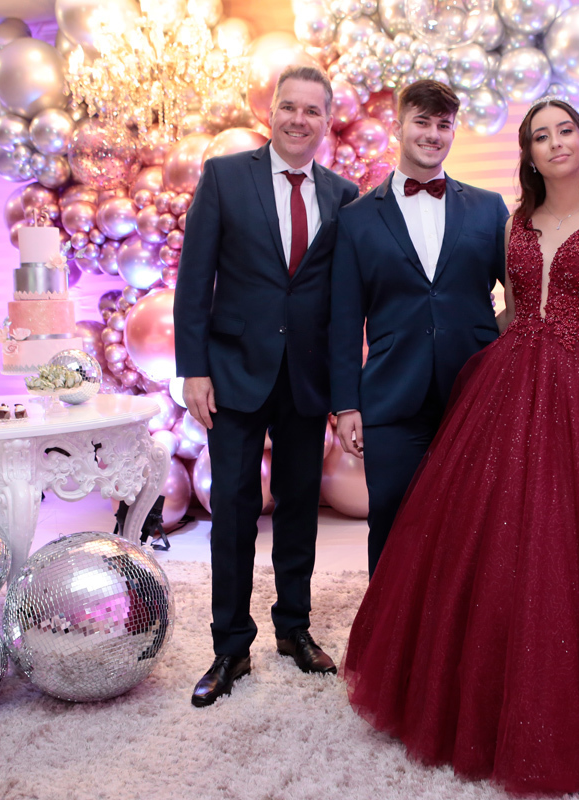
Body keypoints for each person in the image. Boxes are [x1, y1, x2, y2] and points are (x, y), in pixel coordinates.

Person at [342, 97, 579, 794]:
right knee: (495, 536)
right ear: (528, 154)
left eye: (566, 131)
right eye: (541, 136)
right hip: (513, 379)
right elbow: (508, 308)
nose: (555, 143)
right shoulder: (514, 223)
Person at [174, 65, 359, 707]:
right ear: (271, 112)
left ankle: (294, 628)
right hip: (233, 372)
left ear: (326, 120)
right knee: (232, 511)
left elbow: (344, 301)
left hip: (307, 376)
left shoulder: (344, 194)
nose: (298, 119)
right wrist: (193, 369)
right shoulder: (225, 177)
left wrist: (346, 391)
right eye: (289, 107)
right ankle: (230, 646)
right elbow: (194, 278)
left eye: (312, 110)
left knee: (300, 507)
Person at [330, 79, 509, 575]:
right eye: (422, 122)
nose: (433, 134)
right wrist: (346, 404)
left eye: (443, 125)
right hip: (391, 396)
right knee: (392, 522)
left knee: (473, 524)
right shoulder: (356, 220)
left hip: (474, 391)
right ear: (398, 126)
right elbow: (343, 321)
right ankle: (386, 628)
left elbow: (522, 291)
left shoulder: (489, 207)